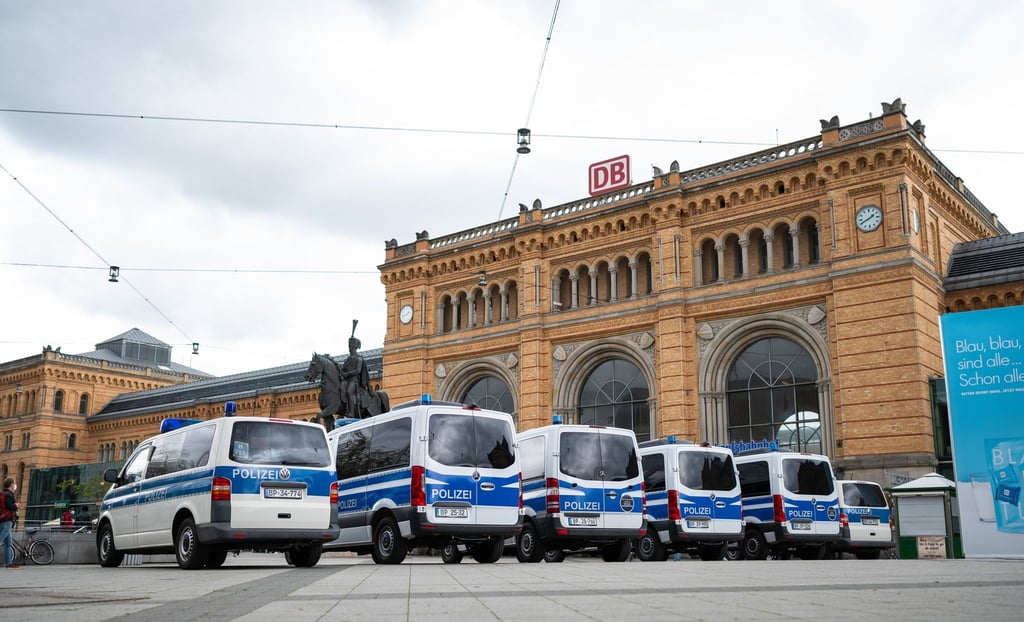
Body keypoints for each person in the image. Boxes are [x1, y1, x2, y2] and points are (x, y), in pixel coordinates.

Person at [339, 336, 370, 417]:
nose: (350, 349)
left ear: (355, 348)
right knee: (340, 388)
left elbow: (358, 371)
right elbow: (343, 368)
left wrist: (348, 373)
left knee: (349, 391)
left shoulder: (359, 359)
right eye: (349, 347)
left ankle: (351, 412)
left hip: (354, 380)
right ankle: (345, 408)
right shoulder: (347, 359)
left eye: (351, 347)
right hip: (346, 380)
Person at [1, 477, 19, 569]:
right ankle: (8, 563)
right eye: (14, 483)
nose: (15, 484)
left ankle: (9, 563)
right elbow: (9, 506)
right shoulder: (9, 494)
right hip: (7, 520)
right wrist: (15, 505)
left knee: (8, 543)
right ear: (11, 484)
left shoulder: (3, 493)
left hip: (3, 519)